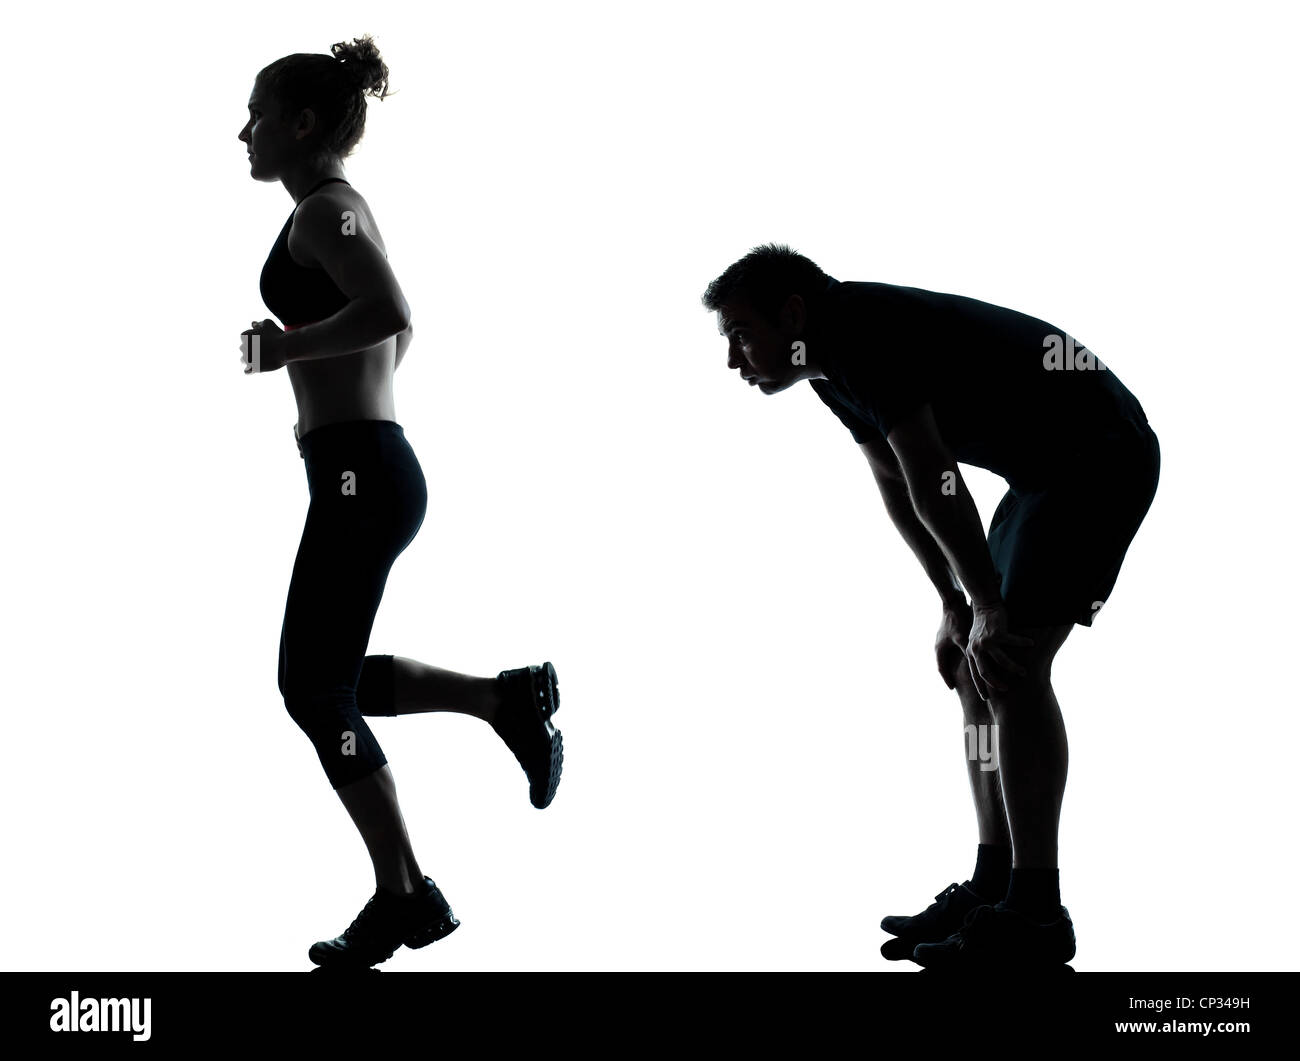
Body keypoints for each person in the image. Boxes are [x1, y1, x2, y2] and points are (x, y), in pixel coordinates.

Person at [702, 244, 1160, 968]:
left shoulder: (860, 331)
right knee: (973, 673)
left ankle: (1037, 909)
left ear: (791, 312)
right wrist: (955, 602)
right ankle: (995, 881)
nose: (733, 358)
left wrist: (986, 604)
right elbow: (896, 482)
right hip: (1042, 473)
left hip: (1096, 454)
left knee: (1009, 665)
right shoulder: (829, 365)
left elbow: (936, 476)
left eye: (739, 332)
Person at [237, 35, 563, 969]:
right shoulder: (338, 210)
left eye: (257, 114)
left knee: (312, 686)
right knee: (327, 676)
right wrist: (349, 404)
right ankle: (506, 700)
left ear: (302, 124)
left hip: (365, 473)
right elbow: (401, 322)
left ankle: (405, 893)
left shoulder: (326, 213)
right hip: (367, 467)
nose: (243, 133)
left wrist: (288, 356)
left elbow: (387, 311)